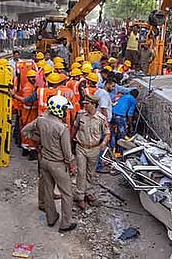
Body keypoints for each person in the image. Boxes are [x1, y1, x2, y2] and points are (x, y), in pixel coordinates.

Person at [22, 95, 77, 233]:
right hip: (58, 164)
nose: (66, 112)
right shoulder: (62, 128)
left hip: (44, 161)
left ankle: (51, 217)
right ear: (58, 109)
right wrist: (72, 165)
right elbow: (67, 152)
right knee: (67, 193)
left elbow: (25, 131)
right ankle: (65, 223)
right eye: (64, 109)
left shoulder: (41, 120)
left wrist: (38, 140)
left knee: (48, 190)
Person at [72, 94, 110, 210]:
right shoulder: (80, 115)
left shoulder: (101, 119)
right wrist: (71, 140)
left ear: (93, 105)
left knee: (90, 172)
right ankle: (80, 196)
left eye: (87, 104)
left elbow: (107, 133)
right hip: (81, 148)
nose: (84, 105)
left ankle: (88, 192)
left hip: (94, 149)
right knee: (81, 172)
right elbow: (75, 127)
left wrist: (104, 142)